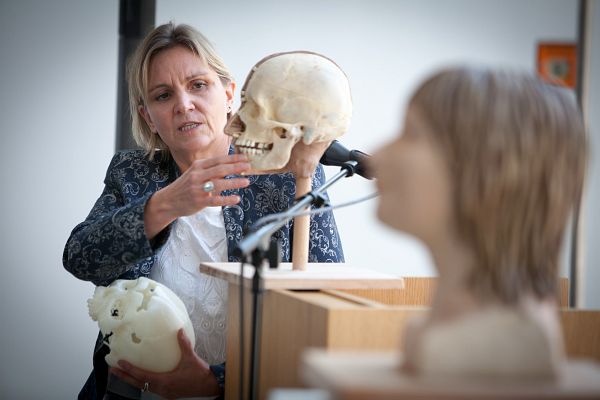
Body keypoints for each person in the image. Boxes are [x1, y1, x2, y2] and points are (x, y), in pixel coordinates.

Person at [63, 22, 344, 400]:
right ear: (148, 117)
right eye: (163, 95)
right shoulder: (132, 173)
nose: (183, 105)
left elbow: (326, 309)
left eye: (198, 85)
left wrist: (217, 382)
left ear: (228, 95)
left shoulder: (289, 177)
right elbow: (80, 259)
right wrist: (165, 204)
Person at [372, 66, 586, 380]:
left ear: (493, 168)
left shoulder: (509, 342)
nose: (377, 155)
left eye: (412, 134)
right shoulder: (441, 333)